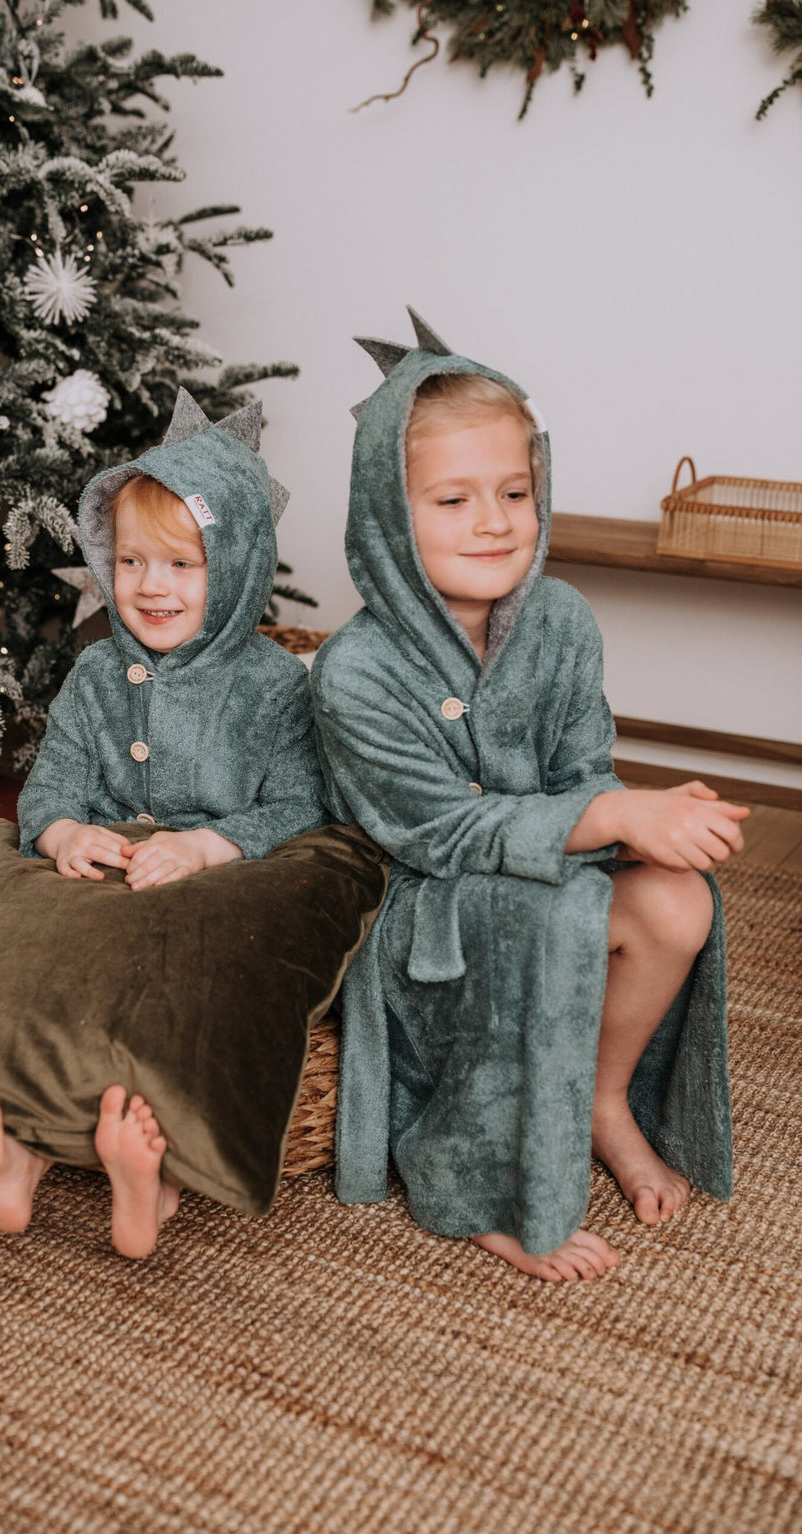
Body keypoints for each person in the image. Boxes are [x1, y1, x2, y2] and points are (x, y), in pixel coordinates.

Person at [310, 309, 748, 1282]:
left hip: (548, 870)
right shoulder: (354, 671)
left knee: (677, 898)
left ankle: (603, 1096)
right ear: (389, 512)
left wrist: (642, 819)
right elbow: (437, 830)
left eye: (514, 491)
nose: (495, 521)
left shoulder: (558, 621)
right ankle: (478, 1182)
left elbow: (584, 769)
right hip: (423, 913)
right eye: (454, 499)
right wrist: (609, 818)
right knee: (545, 919)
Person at [0, 389, 353, 1258]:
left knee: (170, 971)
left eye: (182, 566)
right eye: (129, 563)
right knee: (19, 943)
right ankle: (21, 1160)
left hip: (213, 868)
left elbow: (300, 805)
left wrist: (205, 845)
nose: (150, 587)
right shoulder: (94, 676)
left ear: (233, 571)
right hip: (107, 865)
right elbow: (48, 791)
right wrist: (63, 836)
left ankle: (151, 1181)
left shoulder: (275, 685)